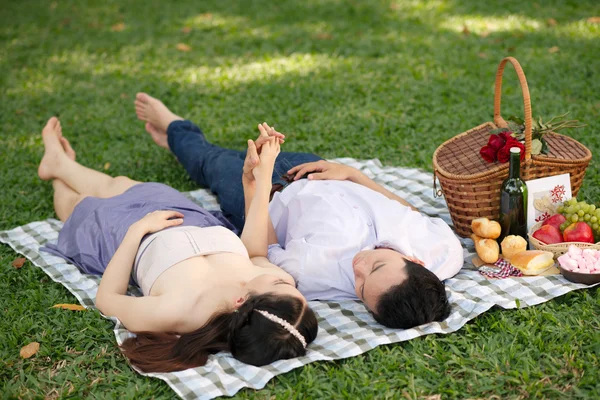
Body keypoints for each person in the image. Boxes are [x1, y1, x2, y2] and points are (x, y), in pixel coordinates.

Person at [134, 93, 464, 330]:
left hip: (261, 198)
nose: (359, 268)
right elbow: (410, 212)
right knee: (230, 154)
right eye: (377, 265)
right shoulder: (443, 254)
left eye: (362, 288)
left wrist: (258, 180)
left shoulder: (315, 277)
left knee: (212, 163)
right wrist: (351, 174)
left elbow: (263, 249)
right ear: (416, 262)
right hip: (312, 170)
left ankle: (176, 129)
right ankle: (190, 147)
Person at [37, 116, 318, 373]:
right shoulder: (271, 285)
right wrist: (257, 178)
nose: (287, 280)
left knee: (76, 206)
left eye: (282, 285)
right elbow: (255, 253)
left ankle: (58, 181)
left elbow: (107, 300)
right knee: (118, 183)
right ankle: (60, 165)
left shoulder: (178, 311)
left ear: (241, 302)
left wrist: (137, 231)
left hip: (126, 235)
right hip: (186, 216)